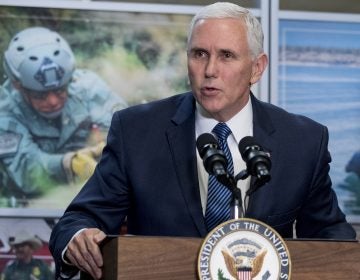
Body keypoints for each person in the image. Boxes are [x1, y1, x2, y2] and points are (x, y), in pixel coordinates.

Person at [49, 2, 356, 279]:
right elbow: (78, 220)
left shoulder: (302, 141)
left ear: (257, 68)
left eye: (227, 56)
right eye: (200, 54)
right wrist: (79, 237)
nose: (210, 70)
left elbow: (330, 235)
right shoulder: (136, 131)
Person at [0, 27, 127, 207]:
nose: (53, 101)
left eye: (60, 90)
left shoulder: (88, 87)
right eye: (39, 95)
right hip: (28, 208)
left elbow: (127, 133)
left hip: (93, 201)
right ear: (18, 85)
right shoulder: (5, 109)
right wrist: (68, 163)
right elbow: (26, 171)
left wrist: (106, 146)